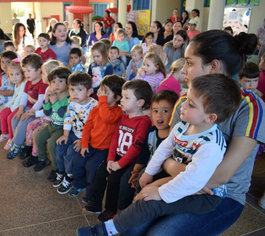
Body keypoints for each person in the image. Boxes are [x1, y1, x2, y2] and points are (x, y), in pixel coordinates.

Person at [108, 30, 262, 236]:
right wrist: (174, 179)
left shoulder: (249, 106)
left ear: (213, 67)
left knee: (160, 234)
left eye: (189, 63)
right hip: (179, 182)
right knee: (131, 226)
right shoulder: (184, 103)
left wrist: (166, 184)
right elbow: (166, 154)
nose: (183, 70)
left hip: (220, 196)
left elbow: (221, 176)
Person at [77, 74, 243, 236]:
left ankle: (106, 230)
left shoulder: (211, 144)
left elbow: (193, 181)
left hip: (204, 195)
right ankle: (128, 219)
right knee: (145, 187)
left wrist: (161, 193)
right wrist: (149, 172)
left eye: (191, 104)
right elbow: (164, 148)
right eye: (186, 98)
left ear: (210, 117)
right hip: (185, 179)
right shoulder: (184, 125)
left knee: (153, 202)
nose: (183, 105)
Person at [82, 79, 152, 222]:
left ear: (140, 103)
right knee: (100, 172)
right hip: (116, 157)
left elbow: (136, 147)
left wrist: (120, 164)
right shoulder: (123, 116)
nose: (123, 100)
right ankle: (95, 203)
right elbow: (115, 138)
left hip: (128, 161)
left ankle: (111, 210)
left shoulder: (143, 121)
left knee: (114, 180)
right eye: (122, 96)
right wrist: (110, 159)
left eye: (127, 97)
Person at [117, 90, 179, 211]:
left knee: (143, 191)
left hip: (161, 173)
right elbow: (144, 153)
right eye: (155, 111)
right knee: (126, 181)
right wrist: (136, 171)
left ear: (174, 114)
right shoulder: (151, 131)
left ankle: (135, 211)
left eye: (165, 111)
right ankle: (122, 212)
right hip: (145, 167)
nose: (159, 115)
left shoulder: (175, 138)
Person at [69, 75, 125, 201]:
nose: (101, 94)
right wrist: (84, 144)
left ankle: (90, 194)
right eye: (101, 90)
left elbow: (106, 117)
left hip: (104, 150)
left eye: (106, 92)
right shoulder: (96, 109)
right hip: (91, 145)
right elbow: (87, 128)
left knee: (91, 168)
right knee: (78, 161)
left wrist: (103, 100)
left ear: (117, 98)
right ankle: (79, 184)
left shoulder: (117, 111)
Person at [54, 71, 98, 194]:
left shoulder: (94, 106)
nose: (74, 93)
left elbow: (96, 127)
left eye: (79, 90)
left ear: (89, 91)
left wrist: (84, 141)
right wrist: (65, 135)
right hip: (74, 133)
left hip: (86, 138)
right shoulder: (71, 102)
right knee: (60, 147)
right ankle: (62, 172)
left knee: (70, 153)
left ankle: (69, 176)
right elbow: (68, 117)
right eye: (72, 89)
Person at [22, 60, 62, 167]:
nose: (41, 75)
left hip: (50, 118)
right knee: (30, 125)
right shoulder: (48, 88)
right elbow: (46, 106)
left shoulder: (57, 90)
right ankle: (29, 148)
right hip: (46, 116)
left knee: (36, 132)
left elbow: (49, 111)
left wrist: (35, 114)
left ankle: (37, 156)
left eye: (43, 73)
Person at [6, 53, 47, 157]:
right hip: (28, 108)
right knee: (14, 119)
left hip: (37, 111)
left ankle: (16, 144)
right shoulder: (28, 82)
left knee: (24, 121)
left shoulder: (43, 83)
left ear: (38, 70)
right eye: (24, 71)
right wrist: (20, 110)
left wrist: (29, 113)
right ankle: (21, 142)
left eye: (29, 71)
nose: (26, 74)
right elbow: (24, 97)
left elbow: (41, 101)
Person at [32, 66, 70, 175]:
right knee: (38, 137)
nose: (56, 84)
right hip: (51, 124)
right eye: (53, 81)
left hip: (61, 128)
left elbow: (64, 116)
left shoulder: (69, 98)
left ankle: (56, 168)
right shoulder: (55, 95)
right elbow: (47, 112)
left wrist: (54, 102)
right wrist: (46, 99)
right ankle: (42, 159)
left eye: (60, 81)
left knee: (52, 144)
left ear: (68, 82)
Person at [0, 59, 27, 145]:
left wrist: (12, 110)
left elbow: (19, 98)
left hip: (20, 106)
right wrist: (4, 107)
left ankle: (12, 139)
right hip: (14, 106)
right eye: (11, 75)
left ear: (23, 74)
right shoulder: (17, 84)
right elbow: (13, 98)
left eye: (17, 74)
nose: (14, 77)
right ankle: (5, 133)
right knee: (3, 114)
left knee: (10, 118)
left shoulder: (24, 83)